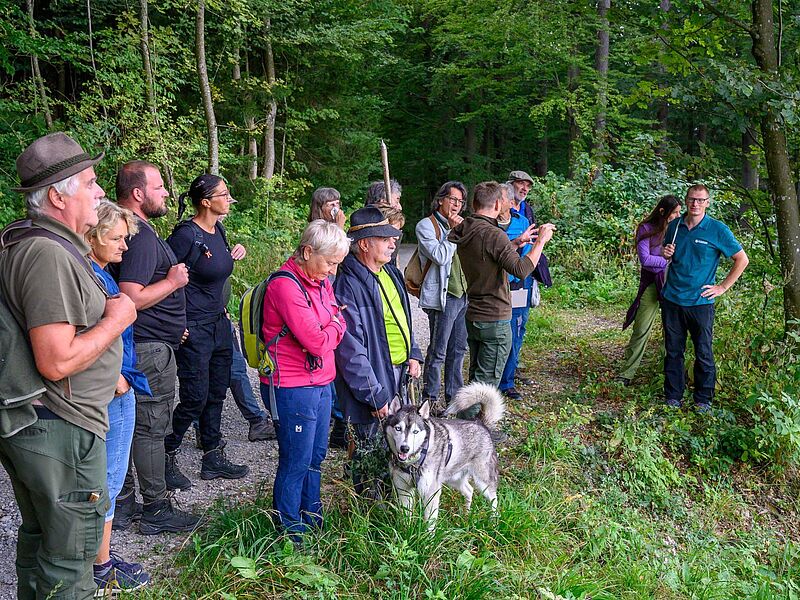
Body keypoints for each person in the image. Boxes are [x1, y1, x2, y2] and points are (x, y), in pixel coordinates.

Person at [0, 132, 136, 599]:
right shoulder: (48, 254)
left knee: (43, 542)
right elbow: (56, 360)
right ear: (58, 197)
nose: (101, 192)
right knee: (71, 559)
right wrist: (117, 319)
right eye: (91, 183)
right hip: (62, 425)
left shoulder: (37, 241)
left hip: (46, 424)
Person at [112, 160, 199, 534]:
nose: (166, 193)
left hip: (149, 344)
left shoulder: (131, 231)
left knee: (133, 424)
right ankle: (156, 509)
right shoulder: (140, 236)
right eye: (159, 186)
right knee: (150, 427)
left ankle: (124, 502)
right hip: (148, 350)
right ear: (138, 193)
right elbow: (130, 296)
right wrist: (174, 283)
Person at [260, 220, 349, 539]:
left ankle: (312, 517)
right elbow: (317, 341)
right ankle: (289, 531)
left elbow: (336, 318)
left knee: (316, 456)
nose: (332, 271)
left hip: (321, 382)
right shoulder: (285, 286)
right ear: (308, 251)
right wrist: (335, 325)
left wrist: (333, 324)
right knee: (296, 460)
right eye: (330, 263)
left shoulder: (320, 280)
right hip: (293, 387)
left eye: (337, 264)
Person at [448, 182, 555, 439]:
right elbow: (521, 269)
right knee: (486, 384)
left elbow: (489, 257)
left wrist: (515, 243)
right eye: (504, 201)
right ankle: (474, 433)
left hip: (475, 313)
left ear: (474, 204)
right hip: (494, 317)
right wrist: (540, 242)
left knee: (476, 377)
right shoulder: (493, 234)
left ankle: (467, 427)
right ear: (496, 204)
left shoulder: (467, 229)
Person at [165, 174, 249, 485]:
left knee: (217, 391)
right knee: (194, 397)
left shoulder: (218, 230)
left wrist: (234, 252)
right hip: (194, 328)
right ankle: (165, 453)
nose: (229, 199)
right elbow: (164, 279)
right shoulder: (186, 235)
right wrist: (177, 323)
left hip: (219, 323)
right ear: (205, 202)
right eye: (223, 195)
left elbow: (212, 272)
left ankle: (212, 456)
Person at [86, 201, 152, 593]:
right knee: (108, 478)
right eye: (116, 238)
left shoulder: (100, 274)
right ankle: (101, 566)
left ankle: (97, 558)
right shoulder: (91, 277)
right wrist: (117, 379)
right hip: (113, 390)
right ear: (91, 236)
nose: (124, 246)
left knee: (106, 476)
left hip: (118, 384)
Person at [333, 206, 423, 494]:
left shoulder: (390, 273)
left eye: (392, 238)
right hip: (374, 382)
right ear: (364, 244)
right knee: (368, 448)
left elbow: (403, 320)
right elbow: (350, 349)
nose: (392, 243)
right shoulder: (348, 285)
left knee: (396, 444)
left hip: (398, 374)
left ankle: (391, 499)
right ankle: (368, 507)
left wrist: (413, 352)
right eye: (384, 239)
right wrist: (374, 394)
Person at [661, 184, 749, 411]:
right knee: (673, 351)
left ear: (707, 203)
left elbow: (742, 259)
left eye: (701, 200)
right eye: (692, 199)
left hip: (700, 302)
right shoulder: (674, 226)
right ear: (686, 200)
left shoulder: (717, 229)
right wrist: (664, 252)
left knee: (703, 352)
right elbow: (667, 254)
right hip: (672, 298)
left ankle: (703, 400)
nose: (695, 204)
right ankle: (673, 396)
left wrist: (722, 287)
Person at [618, 195, 682, 384]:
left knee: (672, 330)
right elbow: (645, 260)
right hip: (652, 283)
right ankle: (627, 373)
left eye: (680, 212)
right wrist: (667, 260)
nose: (678, 216)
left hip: (673, 284)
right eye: (675, 212)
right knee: (641, 328)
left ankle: (669, 374)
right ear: (662, 212)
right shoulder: (646, 228)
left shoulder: (680, 229)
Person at [499, 171, 551, 400]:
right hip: (501, 281)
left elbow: (530, 248)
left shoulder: (525, 215)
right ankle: (498, 379)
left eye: (528, 186)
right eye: (521, 184)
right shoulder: (494, 217)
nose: (524, 189)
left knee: (518, 327)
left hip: (522, 280)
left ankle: (509, 378)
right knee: (503, 329)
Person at [417, 181, 469, 411]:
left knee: (458, 350)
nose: (457, 205)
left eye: (460, 201)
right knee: (438, 351)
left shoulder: (462, 224)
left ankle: (454, 400)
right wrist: (453, 232)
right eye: (453, 199)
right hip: (444, 296)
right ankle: (429, 400)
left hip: (464, 294)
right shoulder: (426, 226)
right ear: (440, 200)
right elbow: (439, 256)